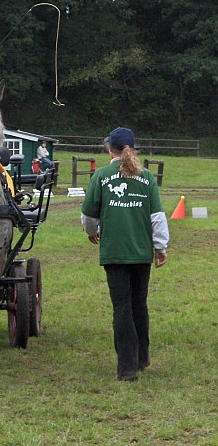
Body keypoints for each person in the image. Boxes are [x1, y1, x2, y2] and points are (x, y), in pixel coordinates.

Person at [81, 127, 169, 382]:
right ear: (132, 148)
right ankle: (142, 358)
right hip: (142, 253)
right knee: (139, 305)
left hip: (114, 253)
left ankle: (127, 368)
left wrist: (92, 231)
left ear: (110, 149)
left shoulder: (101, 175)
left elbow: (89, 216)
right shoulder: (147, 178)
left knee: (121, 308)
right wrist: (160, 247)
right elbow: (157, 217)